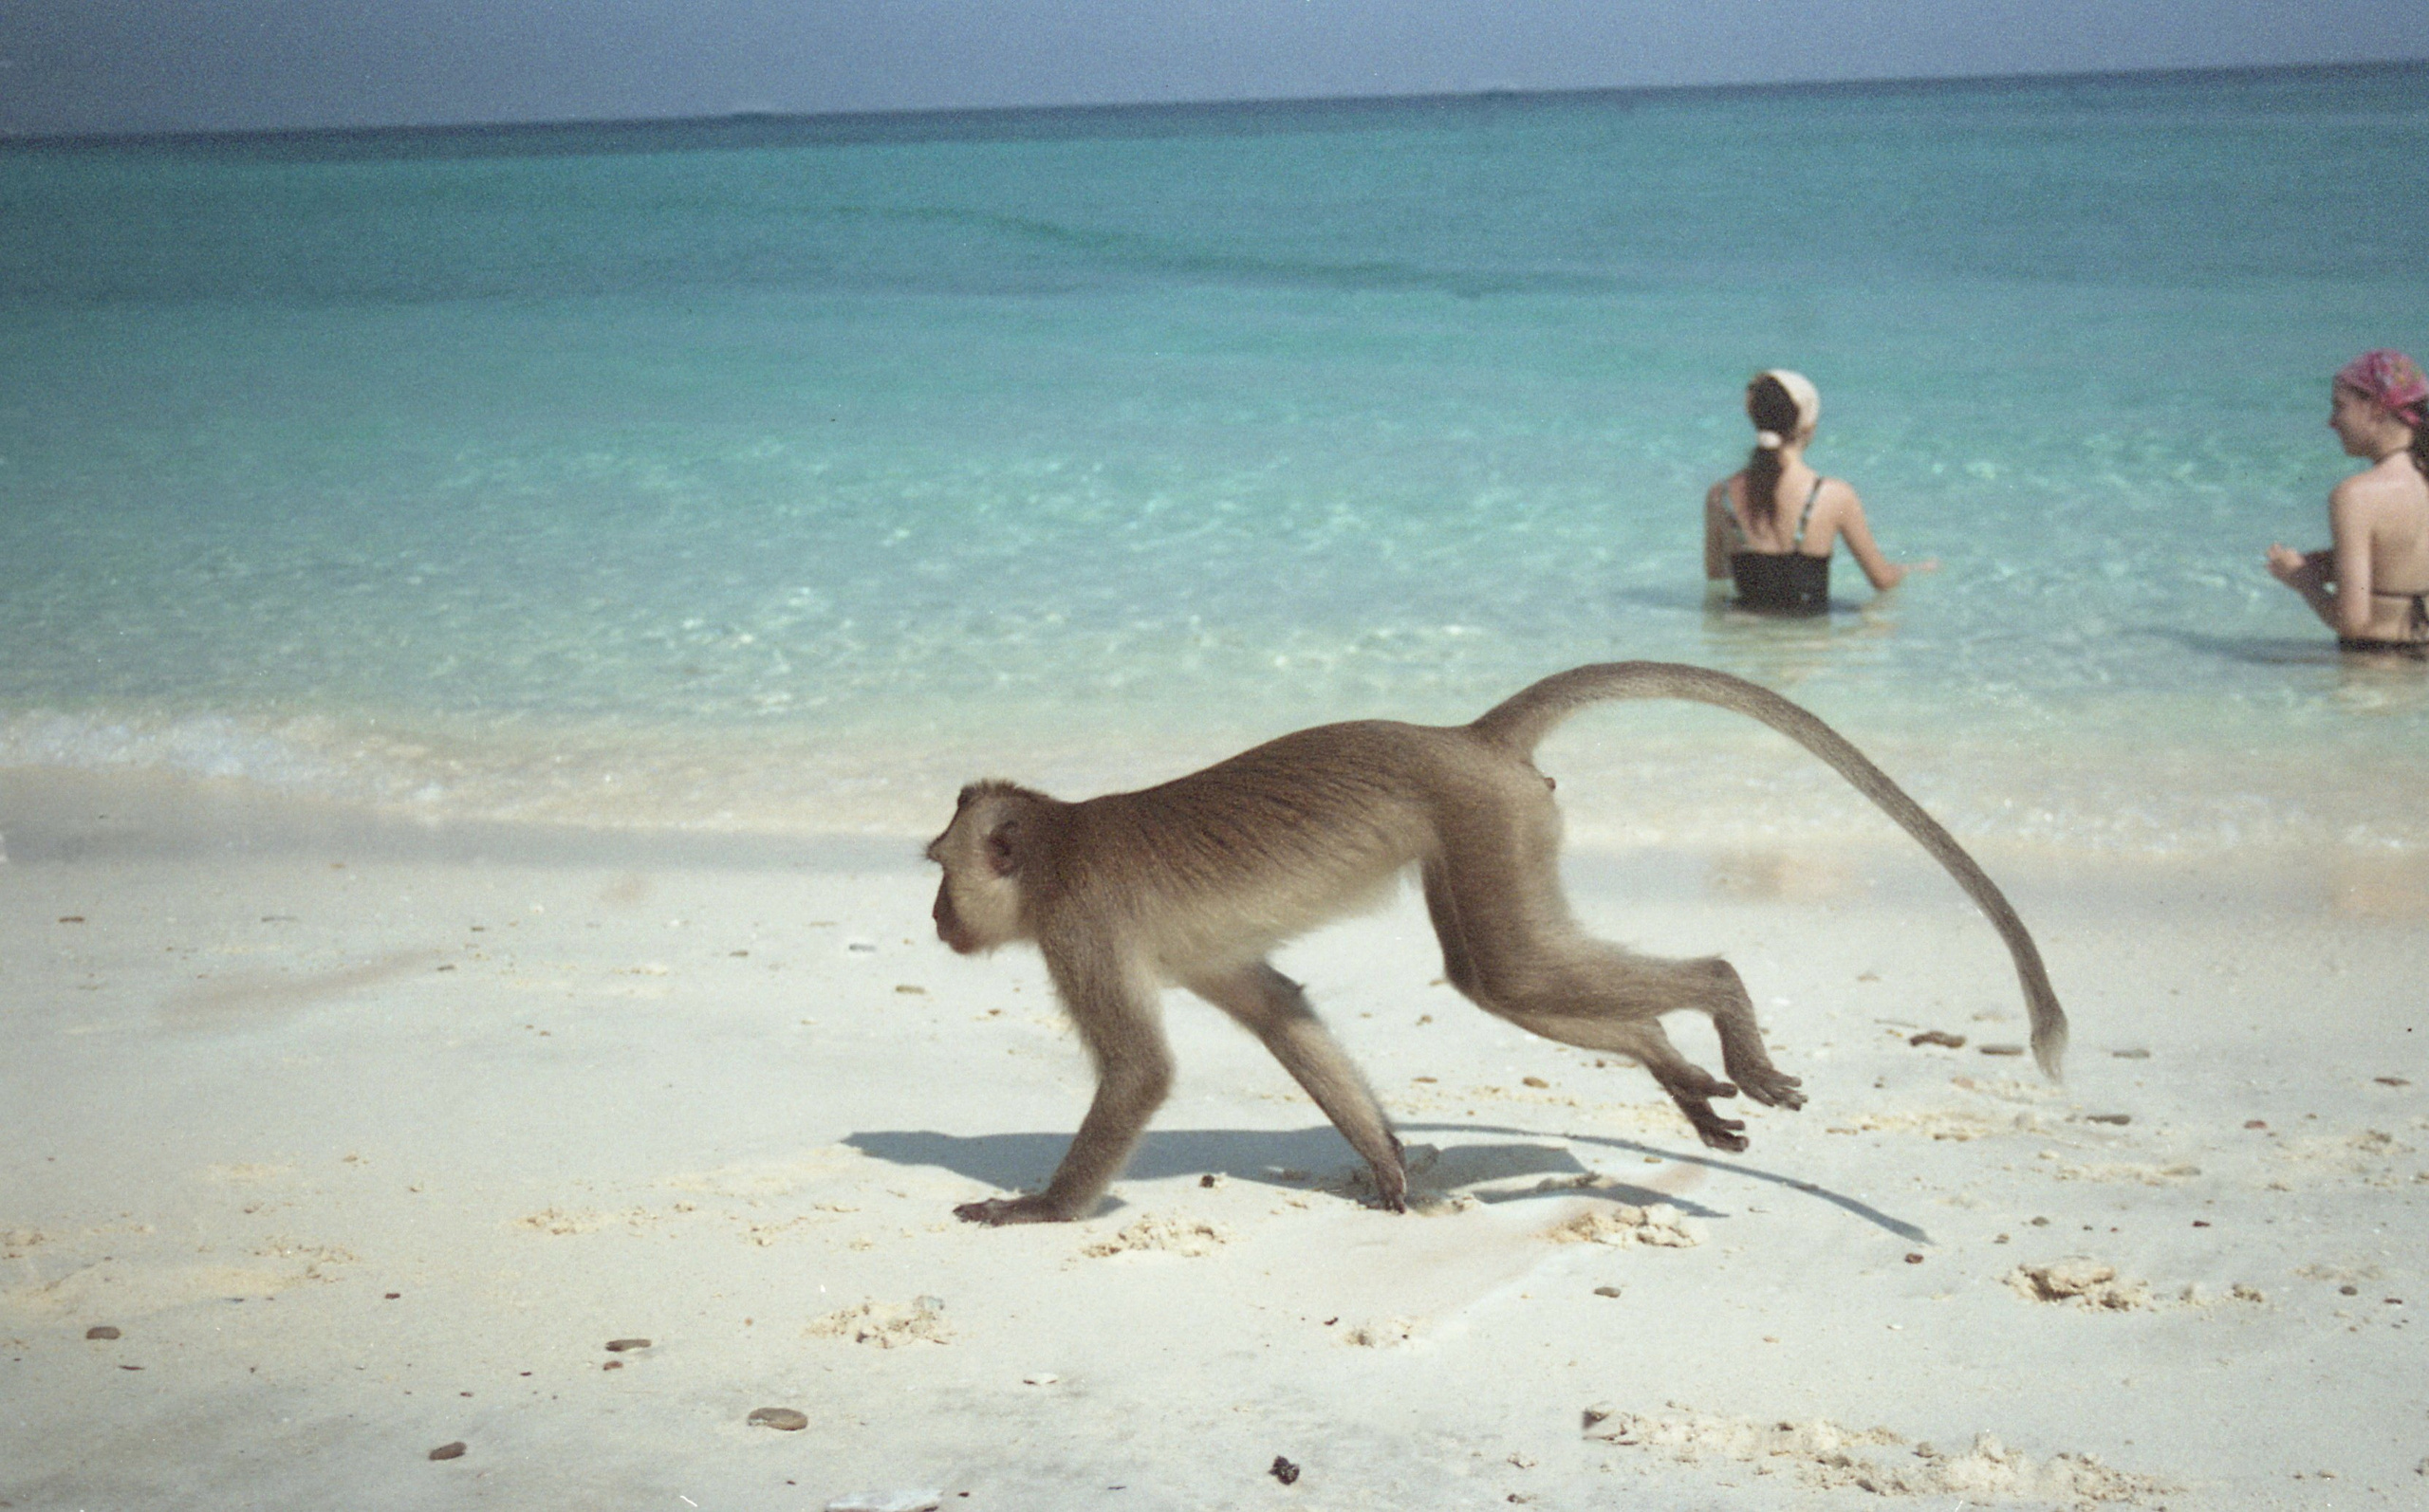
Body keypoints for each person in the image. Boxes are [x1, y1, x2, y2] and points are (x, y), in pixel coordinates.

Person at [1704, 369, 1932, 616]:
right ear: (1808, 427)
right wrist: (1908, 570)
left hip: (1744, 644)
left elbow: (1717, 575)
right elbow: (1881, 580)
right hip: (1813, 648)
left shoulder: (1721, 495)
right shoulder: (1835, 495)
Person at [2266, 349, 2429, 657]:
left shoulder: (2355, 495)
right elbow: (2404, 559)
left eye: (2340, 407)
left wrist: (2303, 581)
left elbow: (2352, 622)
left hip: (2376, 675)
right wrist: (2330, 565)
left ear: (2377, 409)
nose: (2331, 422)